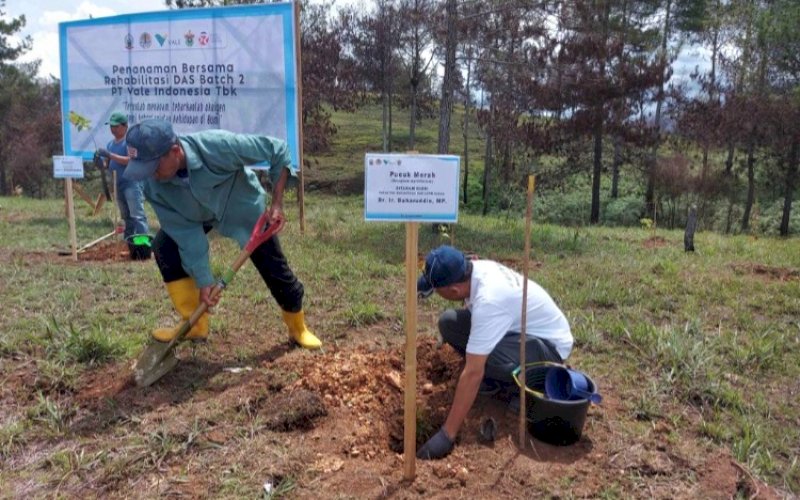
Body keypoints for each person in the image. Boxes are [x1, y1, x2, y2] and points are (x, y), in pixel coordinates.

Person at [122, 118, 321, 350]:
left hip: (243, 211)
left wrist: (277, 203)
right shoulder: (152, 184)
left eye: (154, 167)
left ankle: (298, 328)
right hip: (195, 216)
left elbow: (277, 150)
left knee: (273, 265)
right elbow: (184, 231)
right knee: (165, 247)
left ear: (175, 151)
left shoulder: (217, 146)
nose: (151, 175)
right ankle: (195, 323)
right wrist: (204, 281)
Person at [415, 245, 573, 459]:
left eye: (437, 290)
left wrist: (446, 435)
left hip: (547, 351)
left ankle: (520, 388)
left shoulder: (489, 301)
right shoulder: (475, 270)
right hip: (519, 333)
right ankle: (498, 377)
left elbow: (472, 372)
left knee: (481, 362)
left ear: (453, 290)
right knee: (450, 323)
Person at [96, 111, 149, 240]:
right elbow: (107, 164)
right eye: (111, 126)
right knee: (125, 216)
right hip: (118, 184)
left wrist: (110, 155)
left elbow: (130, 161)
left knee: (137, 214)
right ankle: (129, 240)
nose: (113, 129)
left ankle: (143, 242)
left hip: (131, 183)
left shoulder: (130, 142)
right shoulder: (110, 144)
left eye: (116, 126)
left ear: (125, 126)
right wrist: (100, 163)